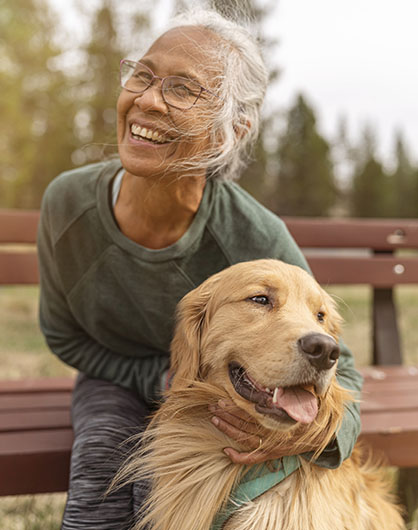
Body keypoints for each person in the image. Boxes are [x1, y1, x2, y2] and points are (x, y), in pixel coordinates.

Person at [37, 8, 363, 530]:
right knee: (100, 473)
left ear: (229, 131)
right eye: (142, 75)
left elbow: (338, 366)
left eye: (183, 89)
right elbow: (64, 336)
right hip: (115, 378)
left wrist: (313, 435)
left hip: (221, 393)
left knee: (160, 493)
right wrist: (160, 378)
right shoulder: (67, 204)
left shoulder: (254, 235)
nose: (145, 99)